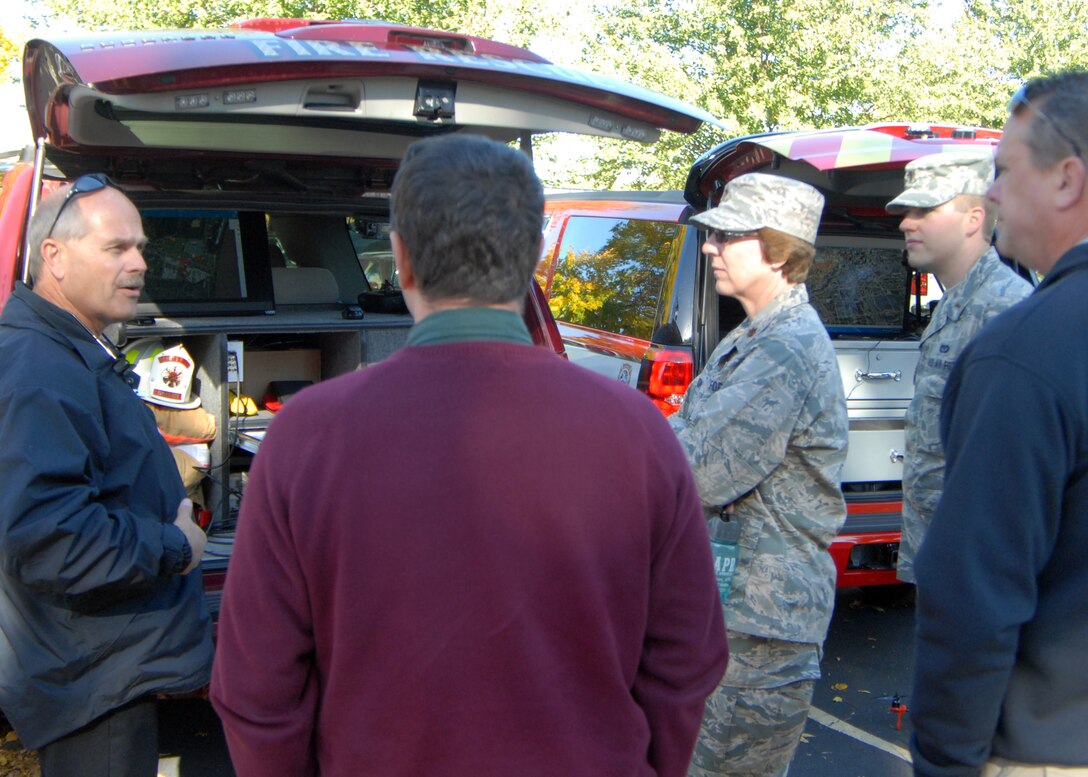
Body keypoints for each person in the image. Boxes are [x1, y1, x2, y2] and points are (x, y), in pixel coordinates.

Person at [209, 134, 729, 777]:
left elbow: (256, 690)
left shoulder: (305, 437)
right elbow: (687, 662)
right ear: (535, 255)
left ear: (400, 258)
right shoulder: (638, 433)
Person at [0, 175, 213, 776]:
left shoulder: (69, 351)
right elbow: (51, 539)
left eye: (141, 247)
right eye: (117, 248)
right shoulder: (38, 369)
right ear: (55, 257)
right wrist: (175, 544)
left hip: (102, 667)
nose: (139, 264)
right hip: (91, 681)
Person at [910, 70, 1088, 776]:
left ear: (1066, 179)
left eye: (1004, 170)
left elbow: (973, 595)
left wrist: (945, 759)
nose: (991, 193)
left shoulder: (1026, 352)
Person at [668, 172, 848, 777]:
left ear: (776, 248)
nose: (711, 248)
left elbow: (697, 469)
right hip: (733, 616)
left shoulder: (785, 347)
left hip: (760, 629)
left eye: (728, 236)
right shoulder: (751, 336)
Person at [886, 151, 1032, 585]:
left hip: (980, 568)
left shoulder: (1006, 310)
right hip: (942, 556)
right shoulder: (953, 304)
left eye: (925, 210)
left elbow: (1020, 466)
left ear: (973, 218)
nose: (906, 223)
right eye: (906, 212)